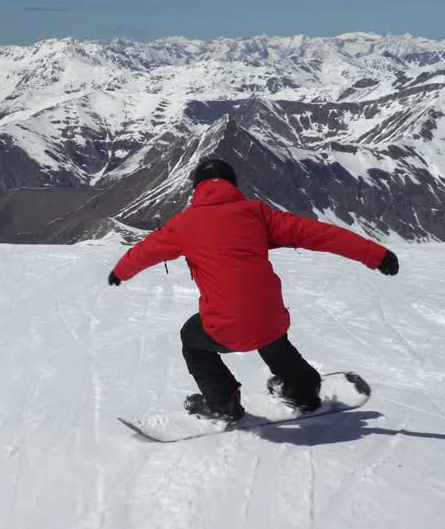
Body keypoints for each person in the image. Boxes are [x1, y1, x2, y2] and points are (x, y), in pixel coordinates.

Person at [107, 158, 399, 423]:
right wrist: (376, 254)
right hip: (272, 318)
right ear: (233, 184)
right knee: (266, 328)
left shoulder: (184, 225)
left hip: (226, 326)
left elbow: (145, 252)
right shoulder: (258, 214)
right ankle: (303, 389)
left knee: (192, 338)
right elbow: (319, 234)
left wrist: (120, 272)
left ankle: (223, 403)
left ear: (197, 188)